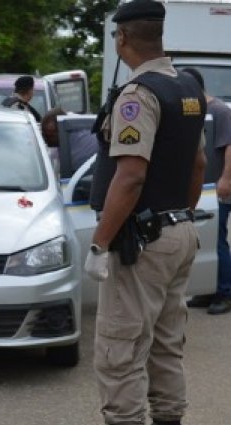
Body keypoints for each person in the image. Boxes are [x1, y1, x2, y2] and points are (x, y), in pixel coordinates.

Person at [84, 1, 207, 425]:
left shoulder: (139, 94)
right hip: (178, 231)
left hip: (143, 241)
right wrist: (181, 216)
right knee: (166, 344)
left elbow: (131, 176)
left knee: (120, 350)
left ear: (122, 38)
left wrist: (100, 241)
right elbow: (199, 165)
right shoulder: (188, 88)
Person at [183, 68, 231, 315]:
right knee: (204, 239)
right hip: (203, 188)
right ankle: (208, 290)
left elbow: (230, 146)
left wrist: (225, 179)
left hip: (219, 187)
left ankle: (225, 292)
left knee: (217, 240)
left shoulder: (220, 111)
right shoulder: (193, 110)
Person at [41, 108, 98, 175]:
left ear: (61, 129)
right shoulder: (54, 150)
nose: (46, 139)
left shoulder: (79, 141)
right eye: (44, 134)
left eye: (51, 134)